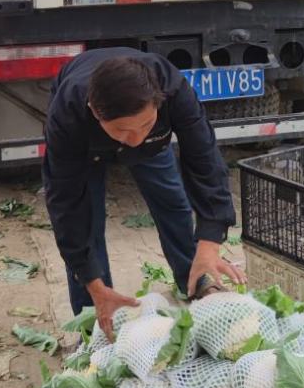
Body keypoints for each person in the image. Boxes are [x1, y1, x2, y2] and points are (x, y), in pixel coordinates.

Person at [43, 49, 242, 339]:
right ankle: (94, 315)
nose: (134, 141)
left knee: (173, 203)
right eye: (123, 131)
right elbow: (65, 203)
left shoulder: (173, 90)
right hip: (86, 149)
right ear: (95, 112)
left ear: (158, 103)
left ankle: (195, 277)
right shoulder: (68, 113)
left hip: (156, 146)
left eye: (145, 124)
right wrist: (92, 282)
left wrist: (211, 240)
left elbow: (205, 160)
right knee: (89, 220)